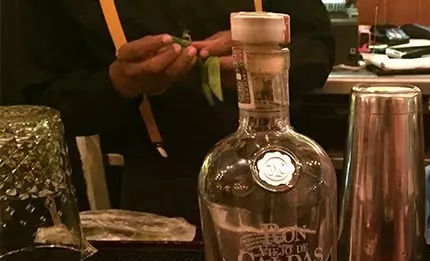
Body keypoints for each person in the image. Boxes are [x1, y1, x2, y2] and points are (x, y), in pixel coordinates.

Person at [18, 0, 335, 225]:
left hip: (275, 168)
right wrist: (118, 83)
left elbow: (317, 46)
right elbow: (33, 101)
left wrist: (266, 56)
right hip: (157, 187)